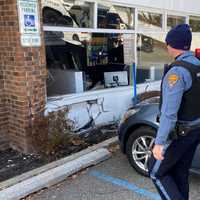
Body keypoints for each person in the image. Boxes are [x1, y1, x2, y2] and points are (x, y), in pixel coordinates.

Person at [148, 24, 200, 200]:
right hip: (195, 130)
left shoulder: (177, 72)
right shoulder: (197, 64)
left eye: (167, 43)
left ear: (171, 44)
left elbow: (169, 113)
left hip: (181, 133)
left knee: (155, 171)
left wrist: (159, 143)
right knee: (180, 172)